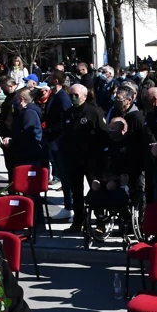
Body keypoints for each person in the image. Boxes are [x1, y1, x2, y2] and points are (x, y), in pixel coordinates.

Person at [60, 83, 105, 236]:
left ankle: (100, 222)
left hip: (92, 159)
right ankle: (78, 222)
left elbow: (104, 135)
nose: (73, 98)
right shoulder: (68, 113)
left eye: (76, 95)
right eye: (71, 95)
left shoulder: (94, 112)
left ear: (84, 96)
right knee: (76, 192)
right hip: (74, 160)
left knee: (96, 189)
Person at [43, 74, 74, 221]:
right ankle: (69, 206)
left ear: (56, 80)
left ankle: (70, 206)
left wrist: (48, 131)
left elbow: (64, 120)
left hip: (59, 141)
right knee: (63, 176)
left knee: (66, 176)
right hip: (53, 140)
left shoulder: (62, 97)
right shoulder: (55, 95)